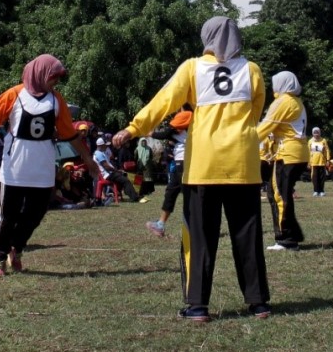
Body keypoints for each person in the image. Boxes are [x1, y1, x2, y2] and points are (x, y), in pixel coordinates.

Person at [112, 17, 271, 323]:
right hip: (243, 165)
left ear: (206, 37)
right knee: (246, 235)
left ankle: (197, 306)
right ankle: (259, 303)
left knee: (199, 236)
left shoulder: (192, 68)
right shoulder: (251, 70)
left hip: (203, 166)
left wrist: (133, 128)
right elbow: (255, 112)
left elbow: (163, 102)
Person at [0, 54, 99, 276]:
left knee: (37, 212)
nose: (55, 82)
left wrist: (89, 159)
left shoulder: (56, 100)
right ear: (40, 74)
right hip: (15, 167)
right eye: (53, 77)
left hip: (42, 167)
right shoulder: (14, 94)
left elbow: (70, 134)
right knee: (8, 214)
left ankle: (17, 246)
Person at [258, 71, 309, 251]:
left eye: (275, 83)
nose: (273, 87)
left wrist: (242, 142)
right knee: (281, 194)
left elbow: (265, 127)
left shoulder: (283, 101)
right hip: (299, 153)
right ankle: (293, 234)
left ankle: (286, 240)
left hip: (287, 154)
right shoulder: (296, 101)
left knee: (278, 195)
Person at [147, 110, 191, 237]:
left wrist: (150, 133)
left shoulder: (186, 115)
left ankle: (197, 227)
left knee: (189, 196)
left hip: (184, 161)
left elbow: (166, 133)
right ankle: (160, 224)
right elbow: (170, 134)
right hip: (179, 161)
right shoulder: (182, 125)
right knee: (171, 191)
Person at [93, 139, 143, 203]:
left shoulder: (99, 153)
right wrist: (116, 170)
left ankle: (128, 194)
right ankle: (135, 197)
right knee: (126, 180)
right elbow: (106, 167)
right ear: (101, 145)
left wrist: (117, 170)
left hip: (109, 173)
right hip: (108, 175)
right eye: (106, 145)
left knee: (125, 177)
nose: (107, 147)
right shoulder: (99, 154)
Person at [308, 127, 331, 197]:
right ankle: (315, 191)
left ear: (319, 133)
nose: (316, 134)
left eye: (317, 132)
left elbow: (327, 150)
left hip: (322, 162)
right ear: (313, 133)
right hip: (313, 162)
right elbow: (308, 152)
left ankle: (321, 191)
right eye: (315, 133)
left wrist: (328, 160)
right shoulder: (310, 141)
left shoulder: (323, 140)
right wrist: (308, 162)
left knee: (322, 177)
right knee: (314, 177)